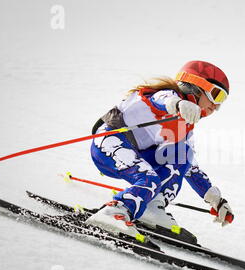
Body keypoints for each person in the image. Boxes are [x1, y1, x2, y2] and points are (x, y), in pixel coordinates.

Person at [86, 60, 234, 243]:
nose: (216, 106)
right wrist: (178, 104)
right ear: (195, 86)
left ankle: (150, 207)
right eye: (216, 95)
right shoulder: (166, 95)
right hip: (110, 144)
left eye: (222, 101)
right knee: (149, 179)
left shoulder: (184, 124)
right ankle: (114, 211)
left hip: (137, 153)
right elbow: (161, 101)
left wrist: (214, 198)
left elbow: (190, 166)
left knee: (183, 152)